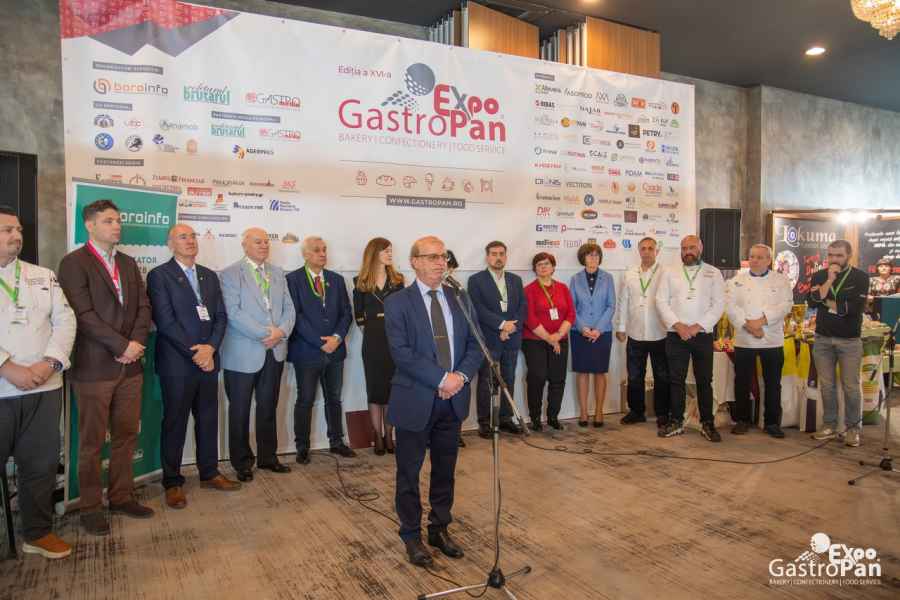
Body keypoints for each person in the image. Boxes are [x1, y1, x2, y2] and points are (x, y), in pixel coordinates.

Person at [384, 236, 481, 567]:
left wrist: (460, 378)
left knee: (445, 470)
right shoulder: (398, 303)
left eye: (444, 257)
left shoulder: (460, 298)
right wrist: (442, 379)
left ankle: (439, 528)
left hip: (452, 400)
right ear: (414, 262)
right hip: (415, 399)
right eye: (432, 257)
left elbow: (475, 345)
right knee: (408, 473)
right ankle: (411, 535)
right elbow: (401, 353)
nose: (441, 262)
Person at [58, 199, 154, 535]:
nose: (117, 226)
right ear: (90, 225)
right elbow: (82, 315)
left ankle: (121, 496)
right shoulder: (73, 263)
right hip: (94, 368)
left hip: (131, 367)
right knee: (92, 443)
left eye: (118, 220)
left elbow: (144, 307)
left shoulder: (127, 262)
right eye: (109, 221)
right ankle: (90, 507)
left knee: (126, 435)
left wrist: (135, 344)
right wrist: (121, 346)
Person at [146, 224, 241, 510]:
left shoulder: (209, 275)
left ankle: (209, 473)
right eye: (182, 237)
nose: (190, 241)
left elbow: (221, 317)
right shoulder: (159, 275)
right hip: (177, 363)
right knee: (175, 422)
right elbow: (165, 322)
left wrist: (210, 349)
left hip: (208, 360)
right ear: (170, 244)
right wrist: (196, 353)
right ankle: (173, 482)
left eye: (192, 236)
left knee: (208, 419)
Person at [0, 206, 76, 558]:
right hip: (3, 387)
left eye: (18, 229)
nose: (16, 235)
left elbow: (65, 321)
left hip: (45, 387)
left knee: (41, 464)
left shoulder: (42, 275)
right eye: (6, 230)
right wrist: (7, 368)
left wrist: (50, 363)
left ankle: (37, 532)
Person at [219, 228, 295, 481]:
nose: (264, 245)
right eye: (257, 242)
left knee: (268, 407)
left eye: (266, 242)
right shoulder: (229, 274)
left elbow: (289, 309)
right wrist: (266, 333)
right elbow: (233, 312)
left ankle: (268, 457)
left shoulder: (278, 273)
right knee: (239, 411)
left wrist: (281, 332)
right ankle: (242, 462)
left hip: (274, 351)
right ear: (244, 245)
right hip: (242, 354)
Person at [287, 236, 355, 463]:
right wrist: (320, 342)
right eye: (317, 250)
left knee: (334, 398)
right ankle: (302, 447)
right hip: (307, 352)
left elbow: (347, 313)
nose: (322, 253)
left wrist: (336, 338)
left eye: (324, 249)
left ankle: (336, 442)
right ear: (305, 254)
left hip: (335, 351)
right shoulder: (293, 280)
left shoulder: (336, 279)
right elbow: (295, 316)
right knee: (305, 400)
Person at [655, 235, 725, 441]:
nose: (688, 252)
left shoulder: (714, 273)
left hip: (702, 334)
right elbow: (660, 301)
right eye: (684, 248)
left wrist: (696, 327)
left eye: (692, 247)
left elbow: (719, 304)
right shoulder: (669, 272)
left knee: (705, 380)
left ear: (700, 248)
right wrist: (678, 326)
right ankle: (676, 421)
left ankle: (707, 423)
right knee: (676, 380)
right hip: (676, 334)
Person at [725, 244, 793, 438]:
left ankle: (772, 423)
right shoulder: (736, 281)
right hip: (744, 339)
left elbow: (785, 305)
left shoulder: (781, 280)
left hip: (771, 340)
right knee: (742, 382)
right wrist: (750, 327)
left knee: (773, 383)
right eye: (752, 256)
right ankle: (742, 420)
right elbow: (730, 307)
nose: (754, 260)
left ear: (769, 260)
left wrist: (762, 321)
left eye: (760, 257)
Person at [808, 240, 869, 447]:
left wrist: (824, 300)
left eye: (839, 255)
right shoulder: (819, 276)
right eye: (831, 255)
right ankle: (829, 425)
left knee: (851, 387)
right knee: (827, 386)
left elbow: (853, 309)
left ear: (848, 256)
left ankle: (853, 429)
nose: (834, 259)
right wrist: (829, 280)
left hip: (849, 341)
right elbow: (812, 302)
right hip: (822, 339)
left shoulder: (860, 277)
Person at [467, 241, 526, 438]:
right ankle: (484, 422)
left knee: (509, 379)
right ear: (487, 257)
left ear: (506, 256)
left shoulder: (515, 280)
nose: (498, 257)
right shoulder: (476, 280)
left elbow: (522, 307)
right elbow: (477, 308)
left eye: (501, 254)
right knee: (487, 381)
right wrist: (501, 325)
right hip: (489, 338)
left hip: (511, 338)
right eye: (494, 254)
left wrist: (510, 327)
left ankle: (506, 418)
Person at [353, 237, 404, 455]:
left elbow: (404, 311)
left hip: (395, 341)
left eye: (391, 250)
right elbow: (358, 315)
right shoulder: (360, 282)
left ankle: (389, 434)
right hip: (373, 342)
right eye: (386, 251)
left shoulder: (398, 280)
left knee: (392, 390)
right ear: (374, 253)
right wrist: (372, 331)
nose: (390, 254)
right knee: (375, 391)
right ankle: (377, 435)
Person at [615, 237, 670, 429]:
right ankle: (636, 412)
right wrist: (621, 327)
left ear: (657, 251)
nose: (646, 252)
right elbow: (623, 301)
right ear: (639, 251)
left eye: (650, 248)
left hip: (660, 333)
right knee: (634, 376)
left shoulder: (666, 273)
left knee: (662, 376)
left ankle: (663, 413)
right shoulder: (630, 273)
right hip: (635, 333)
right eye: (643, 248)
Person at [522, 252, 575, 431]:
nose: (543, 267)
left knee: (557, 379)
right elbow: (529, 318)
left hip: (560, 339)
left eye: (546, 264)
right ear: (535, 269)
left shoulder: (563, 288)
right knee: (537, 378)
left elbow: (571, 314)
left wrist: (558, 335)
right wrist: (550, 339)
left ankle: (553, 417)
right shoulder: (528, 290)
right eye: (539, 264)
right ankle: (535, 418)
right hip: (534, 340)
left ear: (553, 267)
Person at [569, 243, 616, 428]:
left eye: (596, 255)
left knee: (599, 372)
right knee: (582, 372)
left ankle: (598, 411)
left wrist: (598, 329)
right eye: (589, 255)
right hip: (580, 332)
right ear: (583, 258)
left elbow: (611, 305)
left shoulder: (608, 278)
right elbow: (571, 307)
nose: (593, 259)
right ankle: (583, 412)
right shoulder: (575, 279)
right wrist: (582, 328)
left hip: (602, 332)